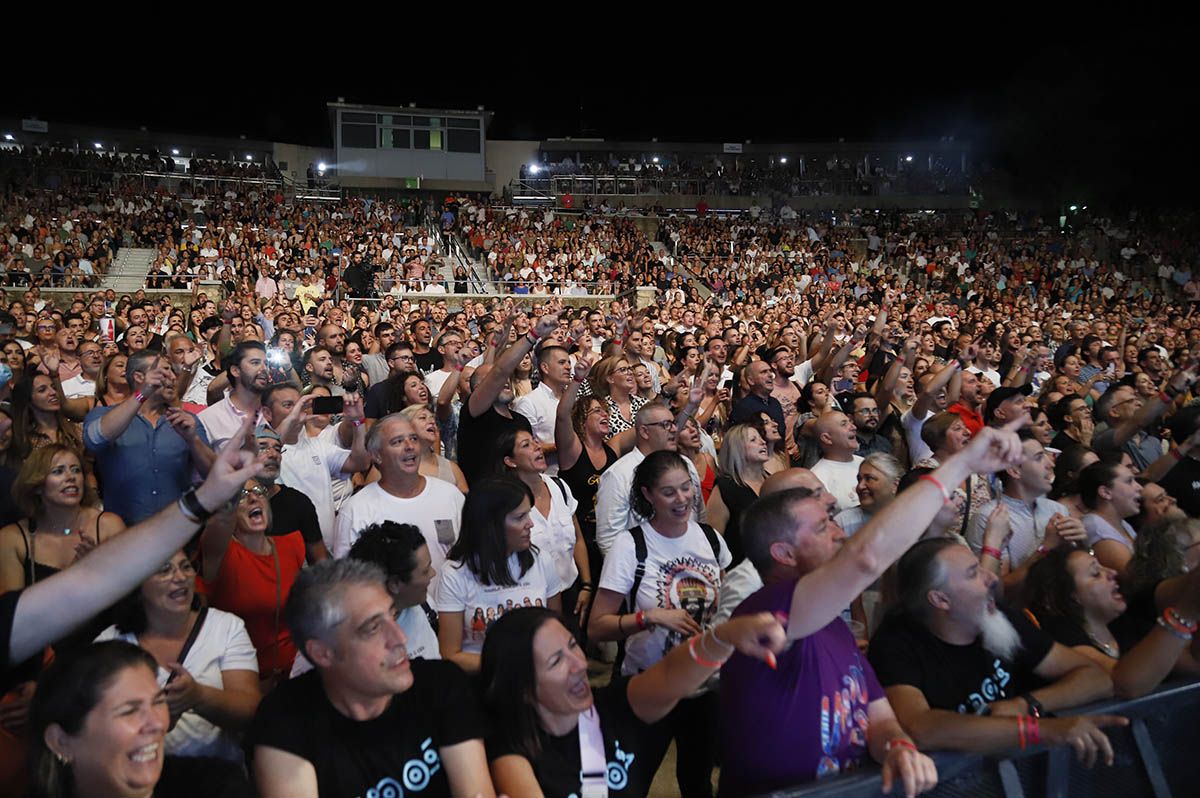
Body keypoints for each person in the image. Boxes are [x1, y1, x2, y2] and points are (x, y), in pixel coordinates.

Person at [717, 427, 1030, 794]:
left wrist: (896, 745)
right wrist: (961, 463)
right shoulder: (765, 609)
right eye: (822, 526)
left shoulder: (832, 625)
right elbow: (865, 558)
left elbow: (878, 714)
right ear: (784, 553)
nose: (838, 533)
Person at [1, 417, 263, 688]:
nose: (70, 477)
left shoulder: (108, 524)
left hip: (105, 658)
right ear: (36, 484)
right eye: (58, 471)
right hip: (39, 673)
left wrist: (210, 495)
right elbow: (18, 627)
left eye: (76, 469)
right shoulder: (13, 539)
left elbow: (135, 597)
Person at [247, 558, 495, 798]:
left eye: (393, 615)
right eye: (373, 628)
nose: (400, 639)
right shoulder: (283, 721)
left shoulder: (441, 684)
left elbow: (474, 791)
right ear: (323, 653)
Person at [481, 607, 786, 798]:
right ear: (523, 689)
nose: (580, 665)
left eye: (573, 646)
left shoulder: (612, 707)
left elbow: (669, 674)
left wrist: (723, 638)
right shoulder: (511, 751)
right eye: (556, 661)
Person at [868, 537, 1121, 758]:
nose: (990, 578)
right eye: (972, 573)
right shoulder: (895, 642)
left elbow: (1097, 678)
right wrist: (1039, 730)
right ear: (940, 599)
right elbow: (920, 727)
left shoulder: (1000, 616)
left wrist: (1026, 705)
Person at [589, 451, 732, 798]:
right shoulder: (630, 545)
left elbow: (727, 601)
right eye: (669, 492)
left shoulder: (710, 539)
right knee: (631, 782)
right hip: (645, 684)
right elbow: (596, 626)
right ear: (649, 495)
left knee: (698, 782)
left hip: (701, 687)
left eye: (686, 488)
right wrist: (648, 617)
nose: (682, 499)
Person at [29, 641, 254, 798]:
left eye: (158, 702)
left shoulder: (217, 786)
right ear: (60, 742)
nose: (157, 724)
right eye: (129, 711)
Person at [95, 550, 261, 761]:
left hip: (218, 779)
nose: (181, 577)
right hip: (142, 780)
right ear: (137, 585)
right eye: (165, 570)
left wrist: (199, 696)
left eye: (186, 567)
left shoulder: (226, 627)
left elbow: (251, 711)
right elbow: (96, 724)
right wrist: (157, 717)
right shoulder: (109, 644)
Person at [1024, 546, 1200, 699]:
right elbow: (1124, 684)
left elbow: (1192, 663)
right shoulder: (1063, 637)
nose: (1112, 573)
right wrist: (1184, 613)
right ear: (1071, 596)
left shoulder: (1125, 625)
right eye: (1096, 574)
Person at [435, 478, 564, 673]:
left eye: (529, 514)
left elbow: (556, 629)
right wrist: (510, 668)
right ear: (491, 523)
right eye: (520, 517)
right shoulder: (455, 574)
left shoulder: (541, 560)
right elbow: (450, 654)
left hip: (538, 682)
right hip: (483, 684)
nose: (530, 524)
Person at [332, 414, 465, 592]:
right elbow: (347, 581)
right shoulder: (356, 509)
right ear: (377, 456)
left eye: (413, 439)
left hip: (451, 613)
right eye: (397, 442)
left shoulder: (451, 495)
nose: (410, 447)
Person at [292, 521, 440, 676]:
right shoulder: (329, 635)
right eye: (425, 571)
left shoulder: (424, 608)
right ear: (395, 583)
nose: (433, 573)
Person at [84, 350, 214, 524]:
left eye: (172, 371)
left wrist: (193, 440)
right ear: (139, 377)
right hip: (123, 537)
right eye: (164, 372)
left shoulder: (185, 421)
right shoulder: (103, 414)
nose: (173, 378)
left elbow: (213, 473)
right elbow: (93, 439)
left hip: (178, 535)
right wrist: (142, 394)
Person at [199, 478, 306, 683]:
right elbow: (216, 529)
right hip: (241, 680)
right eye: (242, 496)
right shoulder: (220, 554)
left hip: (296, 674)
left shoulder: (291, 545)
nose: (253, 498)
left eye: (258, 491)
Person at [494, 428, 592, 630]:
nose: (537, 447)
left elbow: (578, 539)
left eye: (535, 441)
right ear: (510, 461)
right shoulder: (507, 501)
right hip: (532, 598)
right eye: (526, 445)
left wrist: (586, 584)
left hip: (571, 592)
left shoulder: (560, 486)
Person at [969, 432, 1089, 593]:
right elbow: (999, 592)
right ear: (1014, 470)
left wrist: (1081, 544)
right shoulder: (991, 517)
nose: (1051, 464)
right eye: (1039, 457)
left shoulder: (1056, 508)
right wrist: (1045, 548)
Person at [595, 400, 704, 556]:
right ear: (645, 432)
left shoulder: (685, 464)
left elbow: (699, 513)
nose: (674, 429)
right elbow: (609, 540)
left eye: (673, 423)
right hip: (646, 571)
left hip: (689, 560)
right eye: (666, 424)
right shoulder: (619, 475)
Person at [705, 423, 769, 567]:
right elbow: (713, 541)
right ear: (737, 449)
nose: (763, 441)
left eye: (761, 438)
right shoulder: (725, 488)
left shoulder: (772, 481)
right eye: (753, 440)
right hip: (739, 573)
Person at [198, 341, 269, 450]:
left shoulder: (276, 412)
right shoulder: (208, 419)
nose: (264, 368)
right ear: (235, 371)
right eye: (255, 363)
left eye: (266, 363)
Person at [1079, 461, 1143, 577]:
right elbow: (1137, 579)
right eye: (1129, 481)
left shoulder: (1122, 523)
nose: (1139, 487)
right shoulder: (1096, 528)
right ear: (1105, 492)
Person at [398, 404, 469, 493]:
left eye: (433, 418)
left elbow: (465, 503)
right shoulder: (390, 467)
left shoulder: (452, 469)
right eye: (423, 418)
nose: (432, 422)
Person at [834, 453, 903, 537]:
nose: (860, 486)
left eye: (869, 478)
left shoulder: (913, 517)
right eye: (859, 480)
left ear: (895, 485)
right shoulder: (843, 523)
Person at [809, 411, 865, 512]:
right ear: (827, 438)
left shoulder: (866, 463)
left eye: (850, 422)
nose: (853, 427)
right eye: (844, 424)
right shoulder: (817, 477)